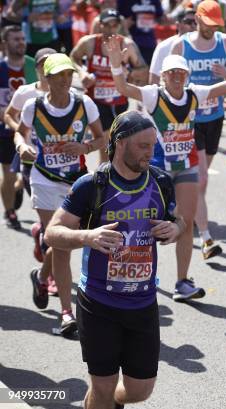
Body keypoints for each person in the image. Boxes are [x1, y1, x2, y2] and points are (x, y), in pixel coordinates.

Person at [107, 35, 226, 301]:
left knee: (185, 224)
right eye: (172, 72)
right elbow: (123, 88)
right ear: (163, 76)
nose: (176, 77)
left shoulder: (194, 93)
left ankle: (182, 282)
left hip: (187, 166)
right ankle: (133, 277)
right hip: (156, 170)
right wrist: (116, 63)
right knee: (140, 225)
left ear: (187, 75)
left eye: (181, 72)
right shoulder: (153, 95)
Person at [44, 111, 184, 409]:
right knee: (104, 387)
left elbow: (180, 220)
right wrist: (87, 237)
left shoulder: (160, 181)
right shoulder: (91, 185)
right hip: (98, 302)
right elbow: (51, 233)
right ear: (119, 143)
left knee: (139, 391)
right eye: (143, 145)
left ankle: (98, 403)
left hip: (143, 303)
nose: (151, 152)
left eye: (153, 145)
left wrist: (175, 228)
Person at [15, 53, 106, 335]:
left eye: (69, 75)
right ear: (47, 78)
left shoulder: (84, 103)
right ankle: (67, 312)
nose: (67, 80)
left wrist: (86, 148)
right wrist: (22, 147)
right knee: (62, 245)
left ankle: (41, 276)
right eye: (60, 76)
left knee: (63, 241)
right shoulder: (34, 105)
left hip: (76, 181)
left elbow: (103, 138)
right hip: (44, 180)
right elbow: (20, 133)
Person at [171, 0, 226, 260]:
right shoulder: (182, 45)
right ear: (198, 19)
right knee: (201, 178)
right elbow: (167, 81)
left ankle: (182, 204)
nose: (212, 29)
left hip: (216, 117)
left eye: (216, 25)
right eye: (208, 24)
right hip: (191, 120)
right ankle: (206, 237)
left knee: (201, 181)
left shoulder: (225, 42)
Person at [4, 47, 55, 289]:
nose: (46, 67)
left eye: (51, 62)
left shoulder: (70, 94)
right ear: (36, 69)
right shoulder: (25, 93)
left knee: (57, 223)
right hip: (30, 162)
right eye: (42, 63)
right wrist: (22, 134)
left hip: (61, 166)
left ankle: (40, 235)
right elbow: (9, 115)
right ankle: (51, 275)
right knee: (51, 225)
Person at [70, 8, 147, 163]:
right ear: (100, 25)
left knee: (118, 147)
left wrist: (129, 73)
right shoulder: (89, 42)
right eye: (107, 25)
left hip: (119, 101)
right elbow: (73, 57)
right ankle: (104, 180)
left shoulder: (127, 45)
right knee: (106, 146)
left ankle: (109, 177)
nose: (111, 29)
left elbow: (144, 70)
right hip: (97, 102)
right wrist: (82, 72)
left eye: (115, 25)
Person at [0, 25, 35, 229]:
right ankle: (10, 212)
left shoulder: (34, 66)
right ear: (4, 44)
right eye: (15, 39)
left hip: (34, 131)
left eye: (22, 38)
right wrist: (11, 120)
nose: (21, 42)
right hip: (5, 131)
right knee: (8, 172)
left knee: (30, 172)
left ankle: (19, 186)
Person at [149, 8, 197, 85]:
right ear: (178, 25)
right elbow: (154, 80)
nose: (193, 26)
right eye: (188, 22)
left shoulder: (207, 46)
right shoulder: (163, 47)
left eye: (196, 22)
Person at [117, 0, 164, 65]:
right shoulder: (124, 2)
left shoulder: (155, 1)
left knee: (147, 71)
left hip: (150, 43)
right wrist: (123, 23)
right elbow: (116, 17)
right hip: (130, 44)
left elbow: (160, 17)